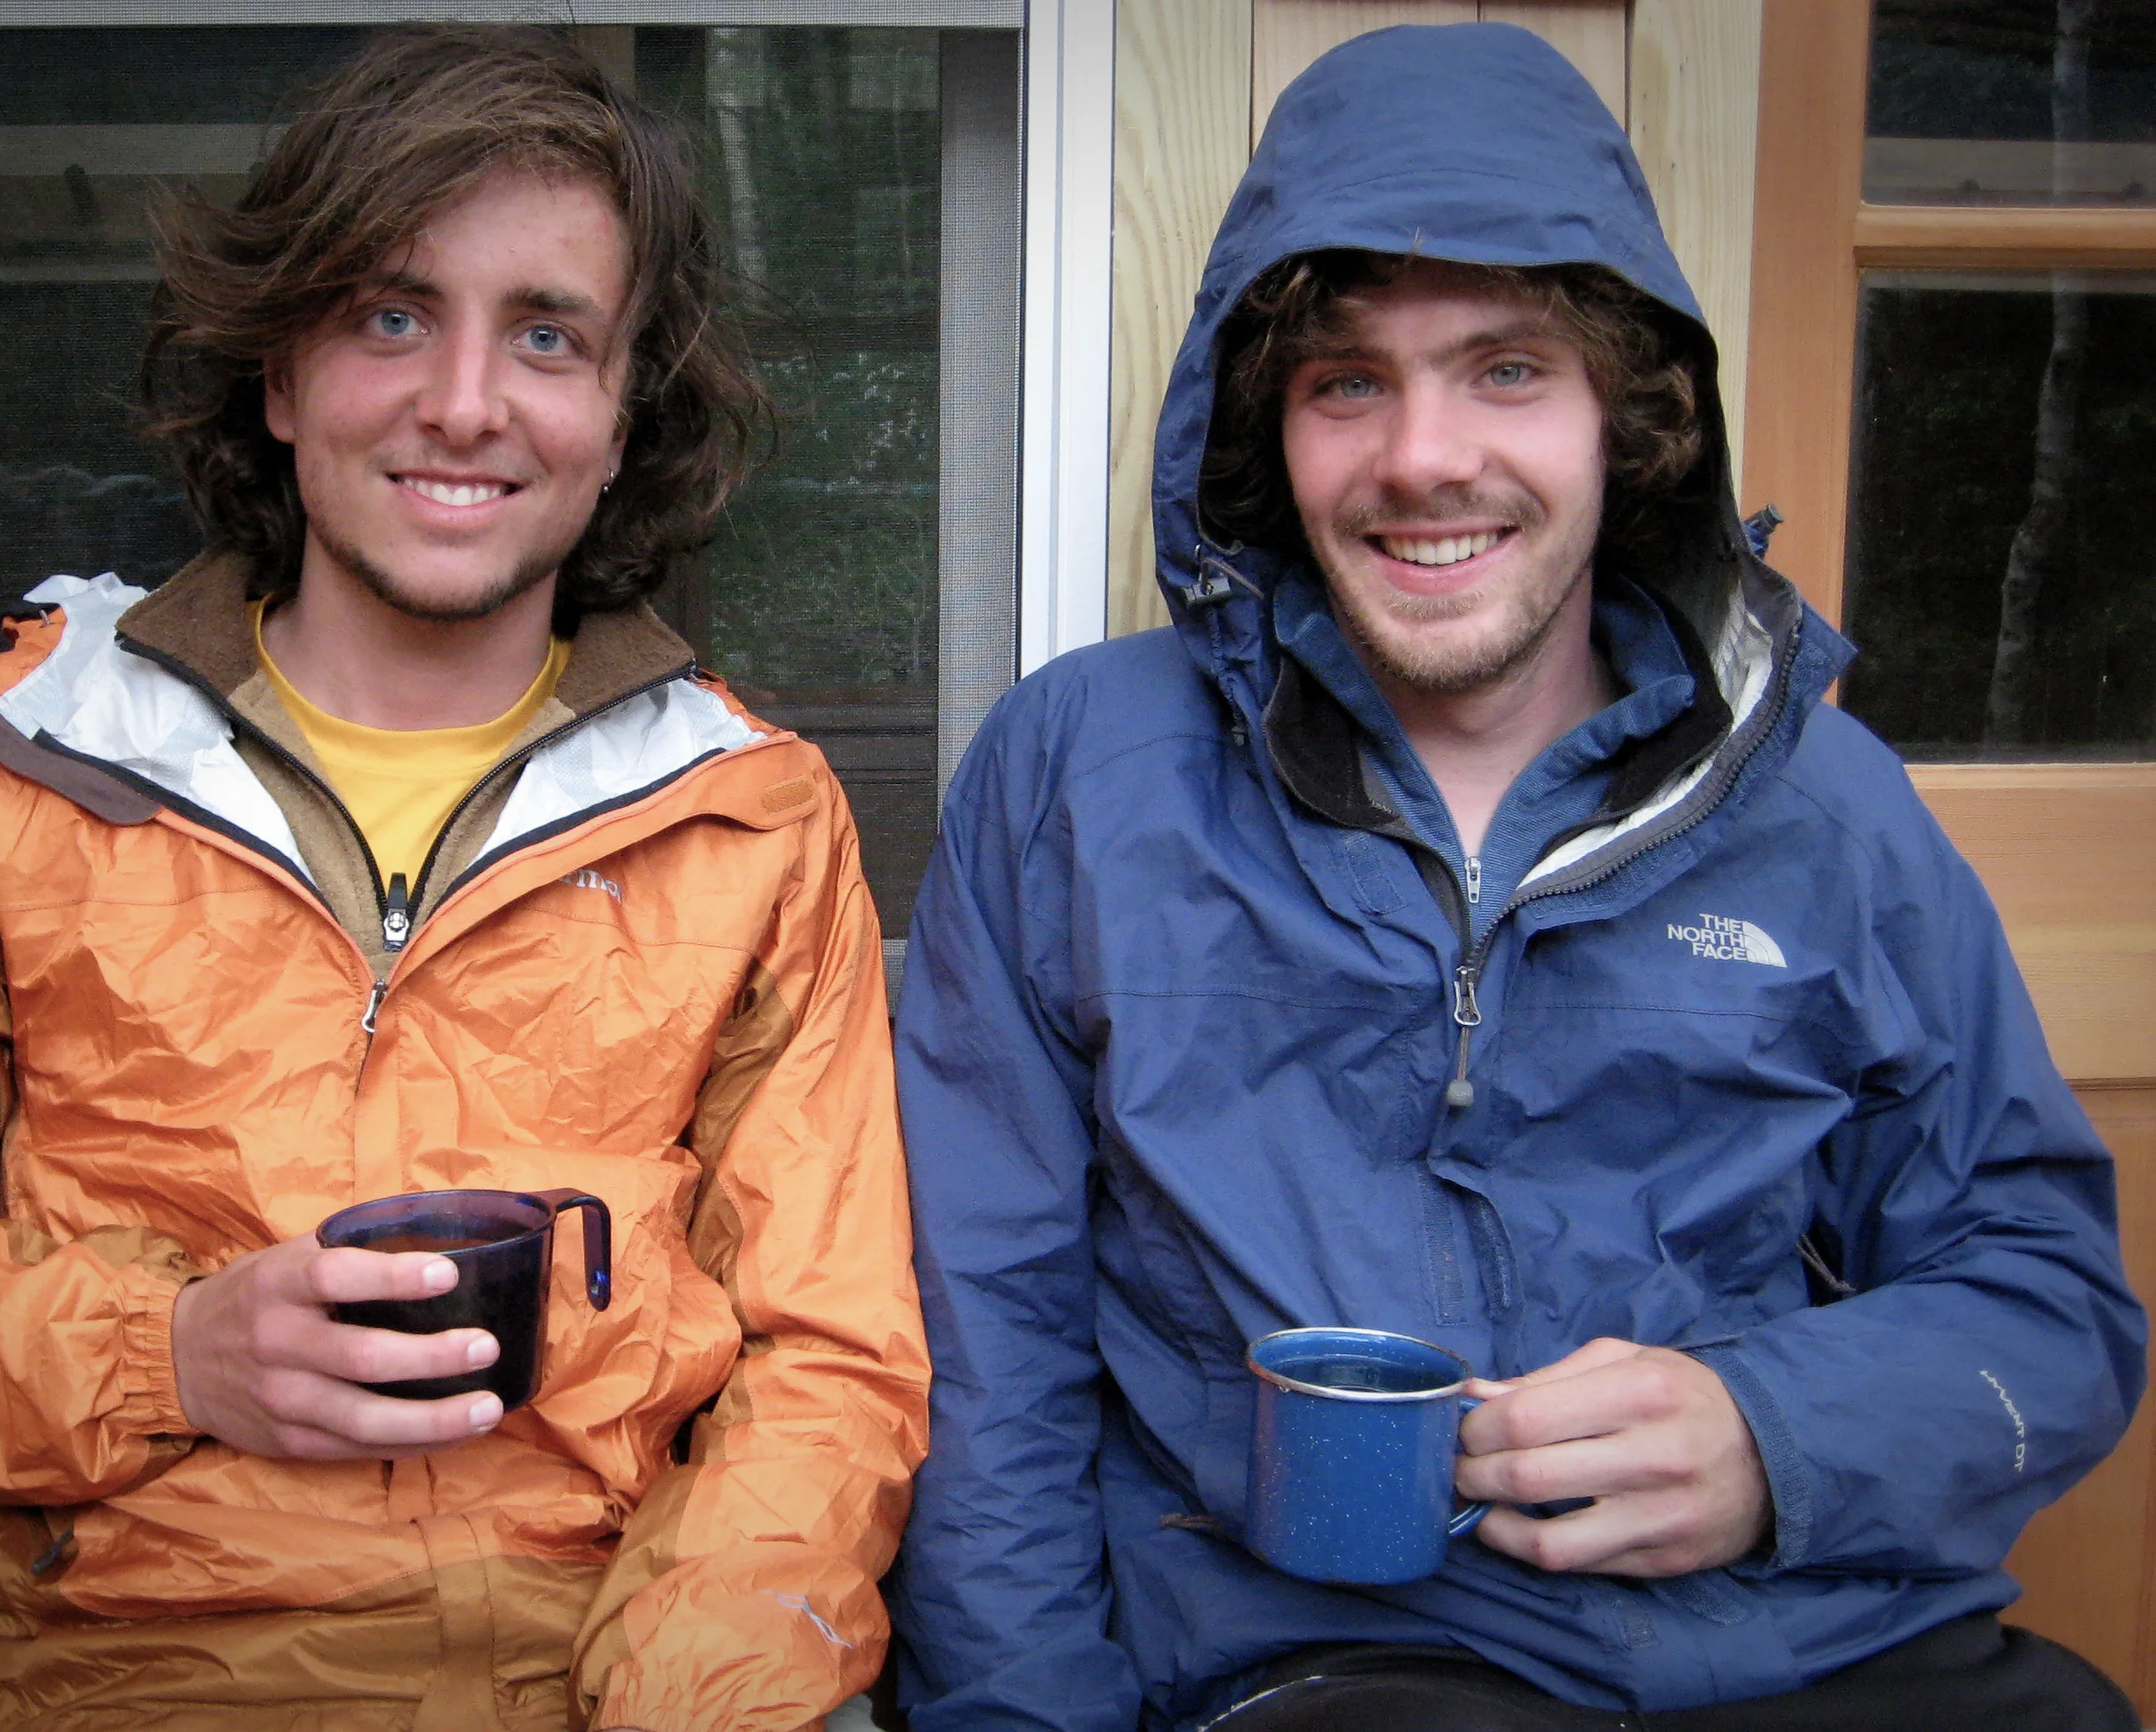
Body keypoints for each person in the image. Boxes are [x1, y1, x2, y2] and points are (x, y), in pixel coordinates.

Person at [888, 23, 2143, 1732]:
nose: (1420, 458)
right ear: (1264, 429)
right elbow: (986, 1351)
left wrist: (1775, 1436)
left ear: (1624, 425)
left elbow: (2044, 1296)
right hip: (1328, 1668)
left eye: (1503, 369)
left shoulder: (1826, 810)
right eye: (1347, 381)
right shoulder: (1078, 783)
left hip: (1819, 1648)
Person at [0, 29, 927, 1732]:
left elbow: (833, 1358)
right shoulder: (19, 758)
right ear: (278, 376)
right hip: (152, 1684)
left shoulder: (748, 814)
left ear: (619, 411)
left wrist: (671, 1707)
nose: (465, 401)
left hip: (614, 1674)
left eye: (547, 334)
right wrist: (171, 1354)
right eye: (390, 313)